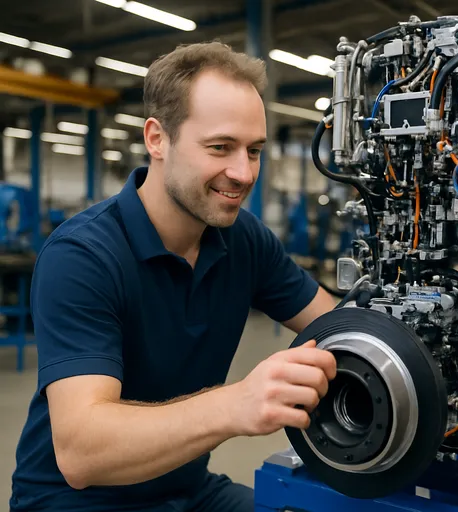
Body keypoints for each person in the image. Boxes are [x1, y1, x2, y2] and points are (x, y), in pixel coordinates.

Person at [10, 41, 337, 512]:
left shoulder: (244, 238)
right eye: (220, 147)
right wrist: (236, 404)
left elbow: (339, 326)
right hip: (75, 501)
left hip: (186, 490)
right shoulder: (82, 256)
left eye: (254, 150)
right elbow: (81, 452)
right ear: (157, 139)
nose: (244, 173)